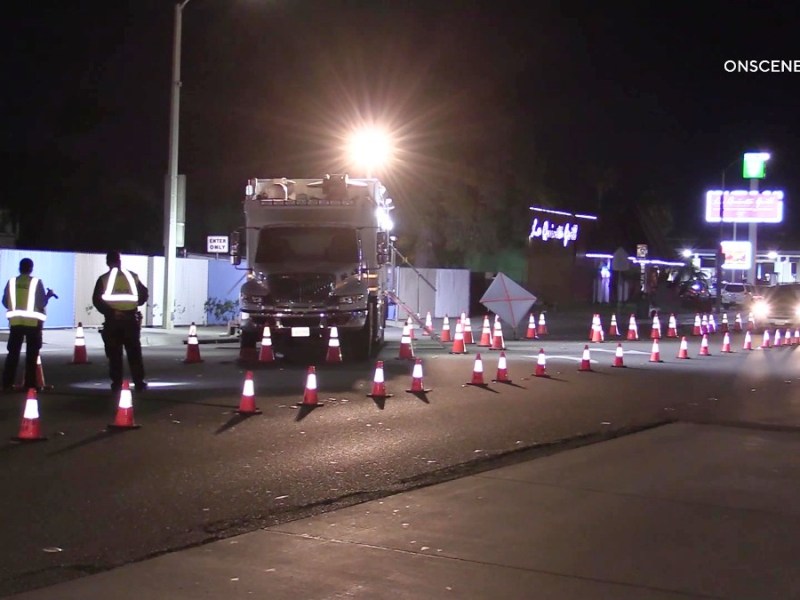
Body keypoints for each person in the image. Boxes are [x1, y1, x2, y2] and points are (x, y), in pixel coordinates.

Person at [92, 251, 149, 392]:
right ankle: (139, 382)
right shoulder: (132, 276)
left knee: (114, 354)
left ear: (107, 262)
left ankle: (117, 383)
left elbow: (96, 300)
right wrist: (133, 305)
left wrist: (111, 311)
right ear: (119, 261)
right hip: (130, 320)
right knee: (134, 353)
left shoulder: (103, 279)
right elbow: (144, 294)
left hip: (113, 321)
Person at [2, 258, 56, 392]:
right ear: (31, 268)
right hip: (33, 323)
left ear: (19, 268)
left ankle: (7, 384)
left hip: (16, 322)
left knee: (13, 354)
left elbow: (4, 301)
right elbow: (41, 303)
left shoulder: (12, 282)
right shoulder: (36, 282)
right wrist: (49, 295)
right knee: (32, 355)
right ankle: (30, 384)